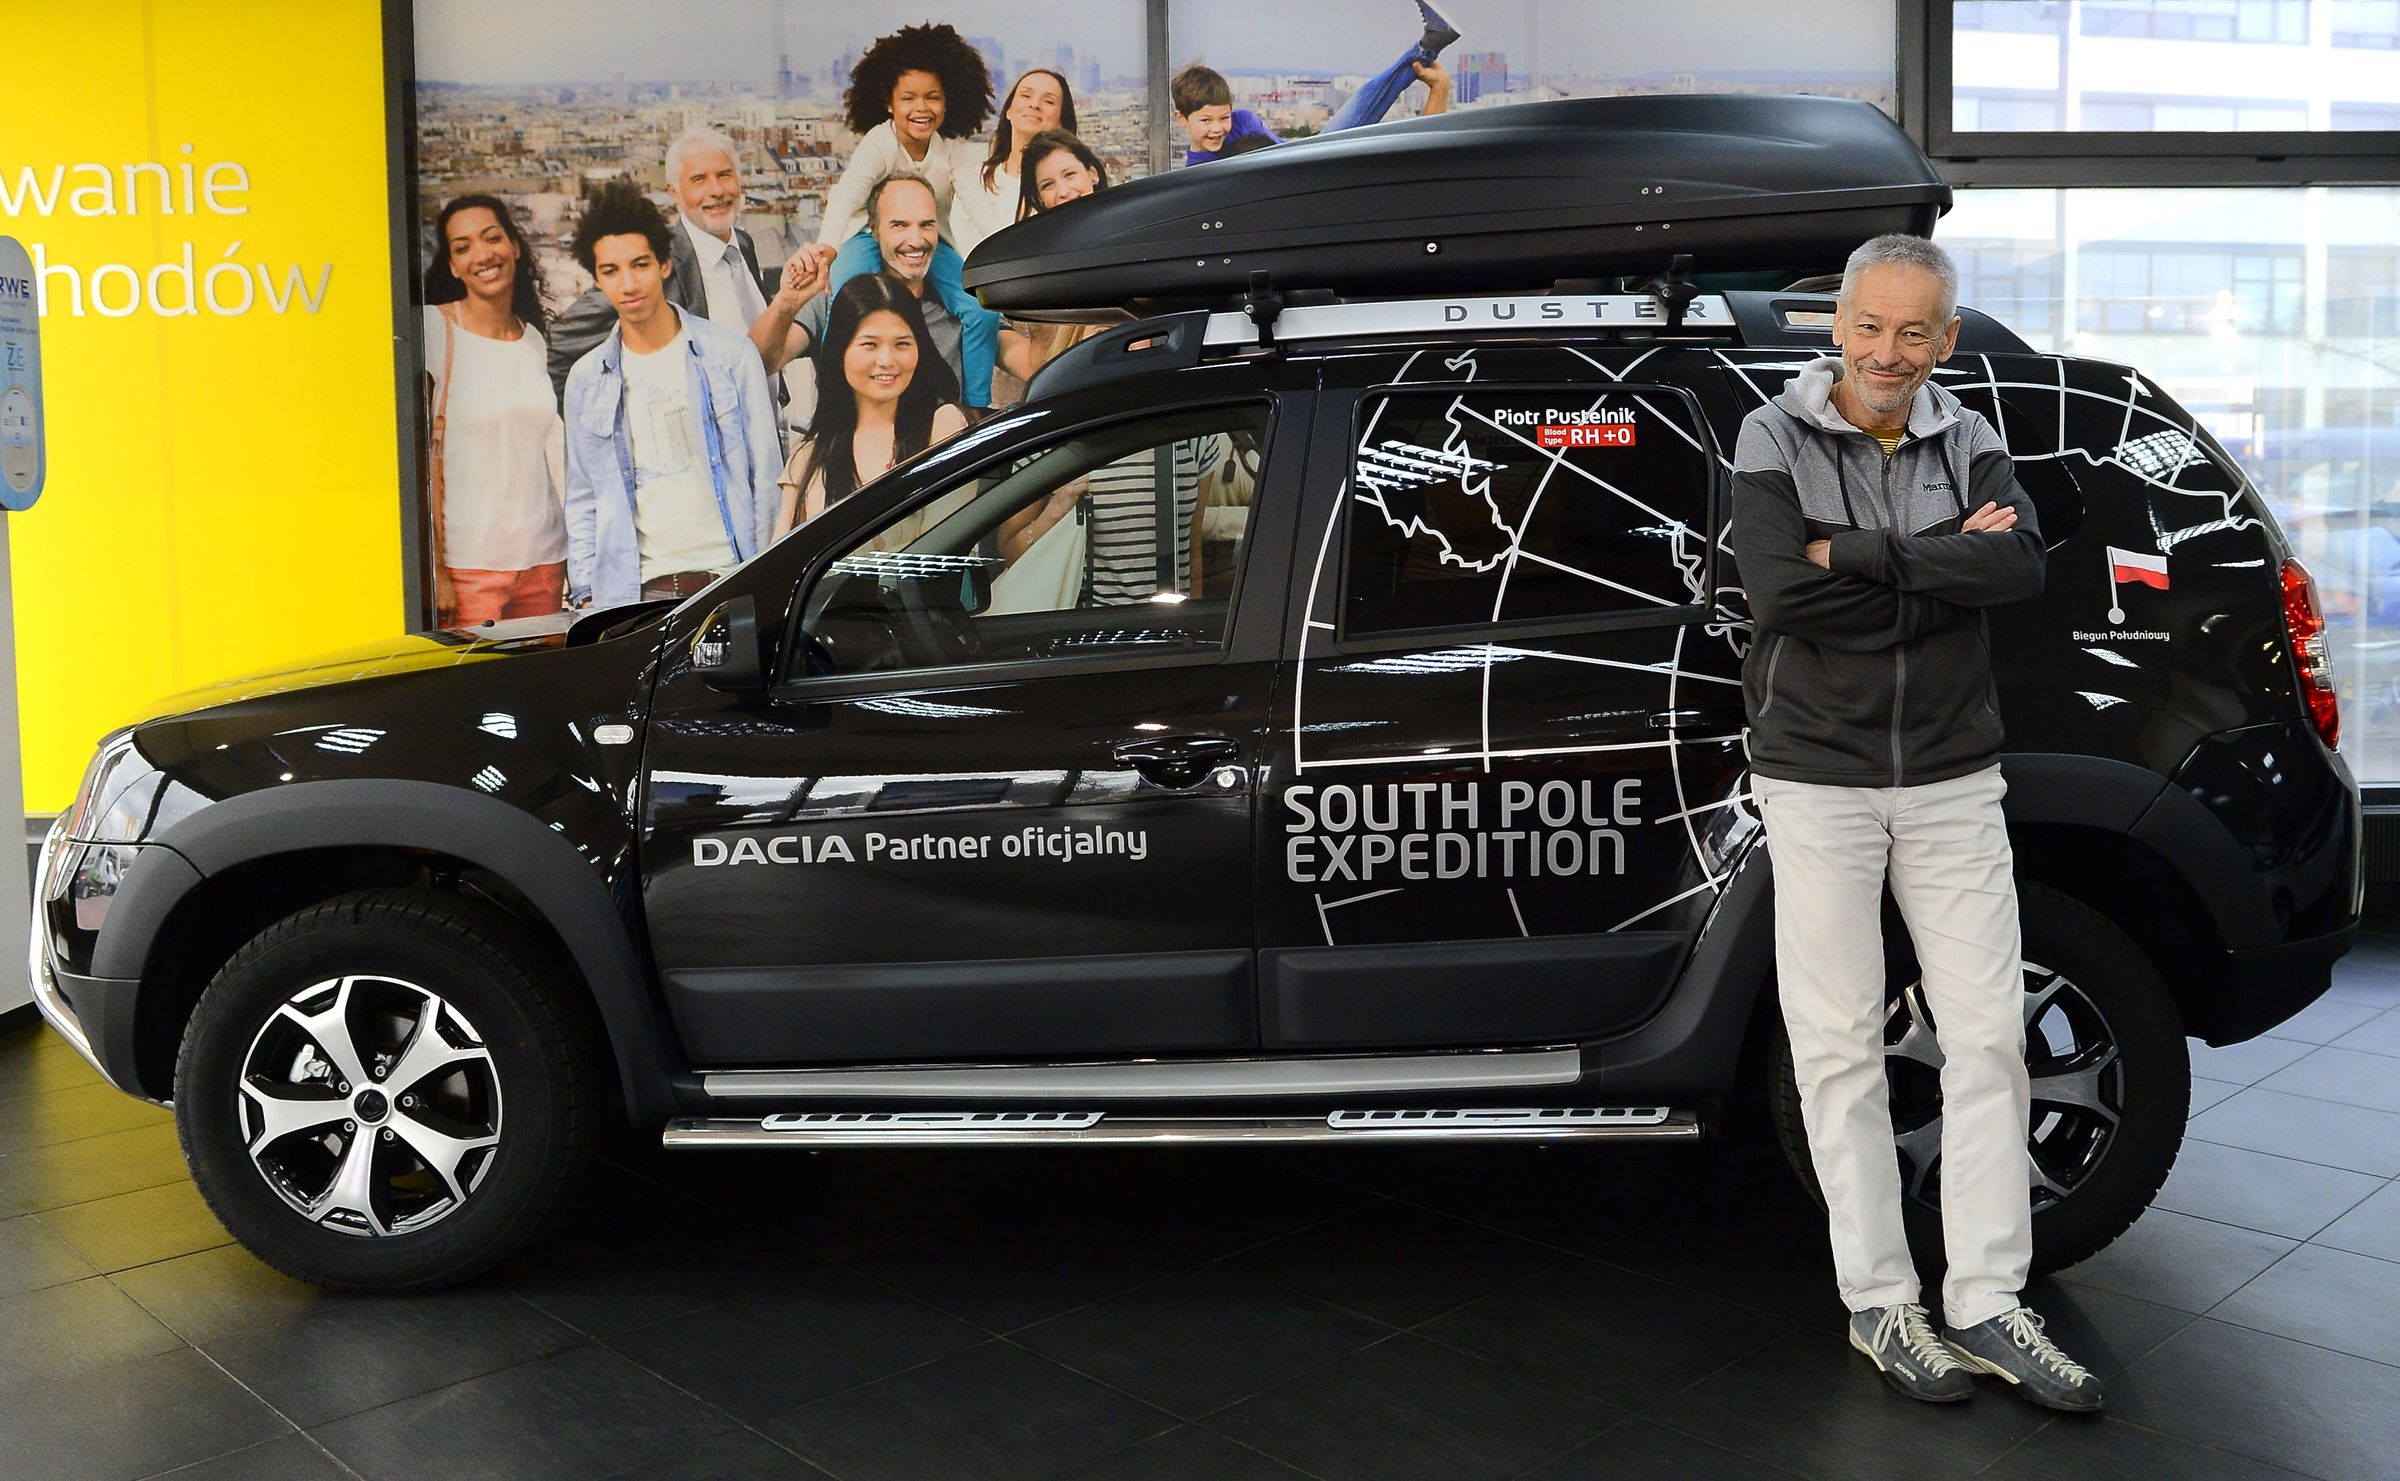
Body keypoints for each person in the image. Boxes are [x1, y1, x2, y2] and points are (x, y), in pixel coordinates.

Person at [1729, 234, 2099, 1411]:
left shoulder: (1970, 435)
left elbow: (2020, 570)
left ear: (1944, 339)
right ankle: (1882, 1300)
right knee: (1838, 1041)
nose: (1889, 353)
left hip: (1950, 776)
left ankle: (1988, 1299)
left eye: (1913, 332)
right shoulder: (1772, 435)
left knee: (1989, 1035)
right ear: (1837, 323)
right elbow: (1782, 592)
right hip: (1819, 778)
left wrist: (1856, 554)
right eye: (1871, 326)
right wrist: (1937, 571)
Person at [560, 182, 782, 610]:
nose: (628, 284)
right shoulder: (587, 380)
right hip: (634, 596)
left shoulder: (730, 356)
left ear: (663, 265)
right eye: (611, 271)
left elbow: (766, 478)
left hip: (728, 581)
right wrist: (586, 594)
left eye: (640, 264)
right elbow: (583, 497)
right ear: (597, 279)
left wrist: (764, 585)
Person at [808, 23, 1003, 407]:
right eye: (908, 98)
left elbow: (977, 203)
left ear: (948, 102)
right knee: (844, 303)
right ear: (889, 103)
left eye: (933, 97)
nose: (921, 108)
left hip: (930, 241)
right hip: (867, 237)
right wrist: (828, 248)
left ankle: (975, 405)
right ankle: (835, 401)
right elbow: (847, 195)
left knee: (981, 311)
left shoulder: (951, 149)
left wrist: (1004, 249)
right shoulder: (879, 143)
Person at [421, 194, 566, 625]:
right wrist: (436, 571)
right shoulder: (433, 329)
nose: (483, 255)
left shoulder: (532, 339)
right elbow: (415, 463)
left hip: (545, 561)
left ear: (515, 246)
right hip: (470, 566)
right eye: (463, 247)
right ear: (452, 266)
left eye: (492, 238)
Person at [547, 130, 781, 396]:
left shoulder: (743, 245)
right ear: (674, 192)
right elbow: (559, 348)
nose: (716, 191)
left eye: (724, 175)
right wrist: (601, 415)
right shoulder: (654, 261)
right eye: (699, 180)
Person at [755, 175, 1005, 414]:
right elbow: (762, 362)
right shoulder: (835, 295)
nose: (916, 240)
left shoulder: (961, 303)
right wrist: (786, 303)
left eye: (926, 225)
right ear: (874, 229)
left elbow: (1019, 355)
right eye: (900, 225)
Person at [773, 273, 967, 537]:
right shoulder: (807, 456)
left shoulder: (944, 427)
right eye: (870, 345)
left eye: (902, 344)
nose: (886, 360)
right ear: (840, 353)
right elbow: (781, 556)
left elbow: (947, 539)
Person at [1173, 1, 1456, 165]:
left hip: (1302, 164)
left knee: (1364, 112)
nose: (1217, 128)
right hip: (1301, 173)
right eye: (1206, 120)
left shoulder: (1242, 121)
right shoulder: (1195, 169)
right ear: (1181, 118)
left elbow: (1284, 153)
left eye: (1224, 117)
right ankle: (1428, 46)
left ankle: (1427, 47)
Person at [950, 67, 1073, 256]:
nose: (1034, 105)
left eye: (1048, 101)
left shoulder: (1068, 188)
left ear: (1062, 121)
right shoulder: (973, 180)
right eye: (1026, 96)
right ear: (1008, 111)